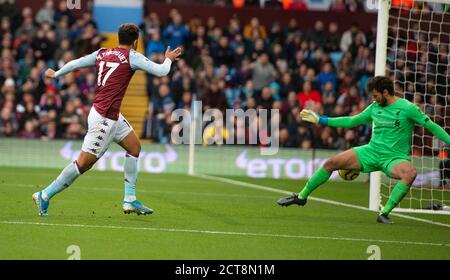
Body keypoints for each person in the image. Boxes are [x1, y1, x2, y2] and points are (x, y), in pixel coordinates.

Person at [32, 23, 183, 216]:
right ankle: (44, 195)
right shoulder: (132, 56)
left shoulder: (102, 52)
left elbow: (77, 62)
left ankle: (130, 200)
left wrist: (57, 73)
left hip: (109, 115)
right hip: (103, 119)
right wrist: (168, 59)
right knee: (83, 164)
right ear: (136, 42)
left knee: (134, 148)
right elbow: (162, 71)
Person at [277, 76, 450, 224]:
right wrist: (320, 120)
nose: (373, 99)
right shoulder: (374, 108)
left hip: (394, 158)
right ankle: (301, 197)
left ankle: (384, 213)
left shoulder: (408, 108)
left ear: (385, 92)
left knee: (410, 174)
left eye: (375, 96)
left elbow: (432, 127)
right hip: (371, 152)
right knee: (331, 163)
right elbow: (352, 121)